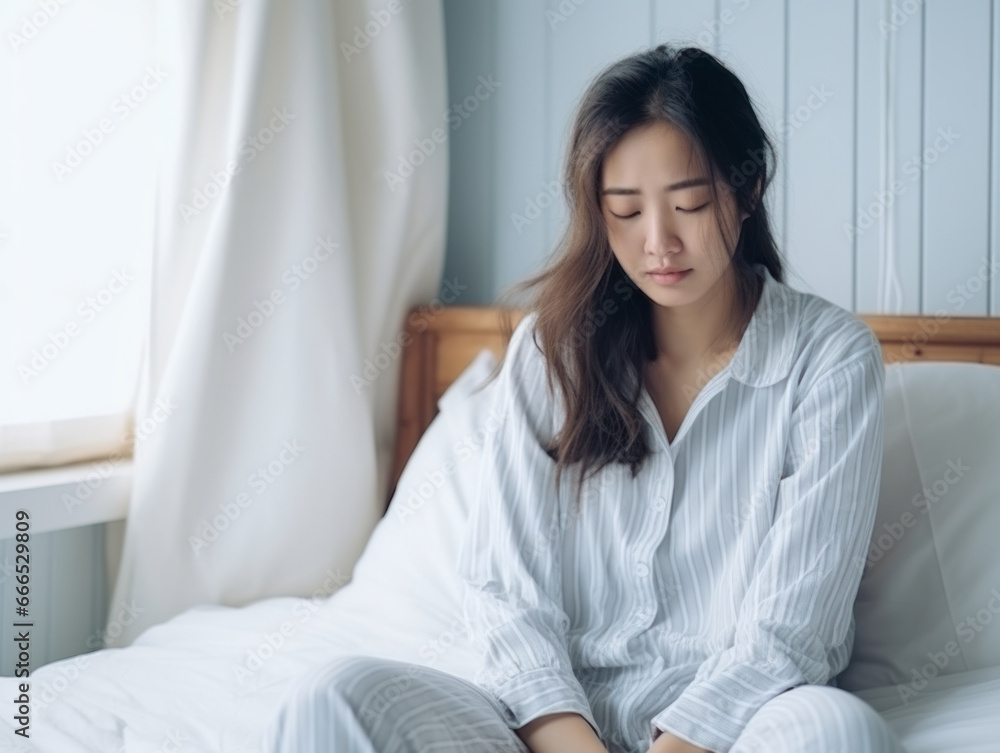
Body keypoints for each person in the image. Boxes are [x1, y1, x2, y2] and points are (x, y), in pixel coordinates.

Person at [262, 43, 906, 753]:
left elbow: (793, 628)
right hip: (552, 725)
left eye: (689, 203)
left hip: (737, 727)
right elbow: (508, 597)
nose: (658, 241)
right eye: (625, 210)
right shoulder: (551, 351)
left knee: (838, 732)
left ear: (747, 188)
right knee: (332, 697)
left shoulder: (830, 359)